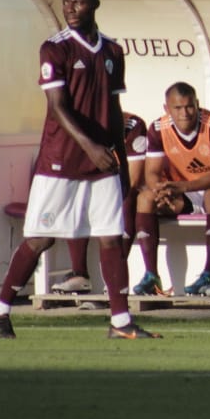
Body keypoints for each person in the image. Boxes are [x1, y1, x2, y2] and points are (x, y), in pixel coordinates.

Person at [0, 0, 157, 339]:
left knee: (111, 237)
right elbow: (58, 107)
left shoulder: (112, 51)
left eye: (77, 2)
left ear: (95, 4)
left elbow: (113, 108)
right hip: (61, 161)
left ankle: (120, 322)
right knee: (40, 239)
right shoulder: (55, 49)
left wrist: (120, 160)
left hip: (102, 165)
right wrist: (91, 147)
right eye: (66, 2)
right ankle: (0, 310)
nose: (70, 8)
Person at [132, 83, 210, 297]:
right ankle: (152, 276)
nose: (185, 113)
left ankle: (209, 273)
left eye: (189, 107)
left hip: (209, 187)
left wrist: (183, 186)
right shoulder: (158, 129)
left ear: (197, 104)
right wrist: (160, 190)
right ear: (166, 109)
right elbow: (151, 172)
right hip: (179, 191)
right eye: (177, 108)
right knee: (145, 199)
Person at [53, 110, 146, 293]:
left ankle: (113, 282)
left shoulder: (132, 125)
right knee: (76, 198)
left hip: (120, 186)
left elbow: (133, 179)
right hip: (93, 184)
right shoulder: (78, 126)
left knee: (127, 196)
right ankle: (79, 275)